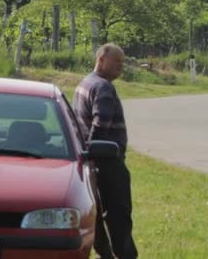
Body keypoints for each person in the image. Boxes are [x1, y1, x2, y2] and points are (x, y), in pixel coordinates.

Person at [73, 43, 138, 259]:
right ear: (101, 59)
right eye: (117, 62)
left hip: (91, 161)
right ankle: (124, 255)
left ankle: (105, 253)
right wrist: (97, 152)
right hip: (107, 162)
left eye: (123, 62)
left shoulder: (84, 83)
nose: (121, 66)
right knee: (119, 215)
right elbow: (100, 126)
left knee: (97, 214)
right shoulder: (103, 88)